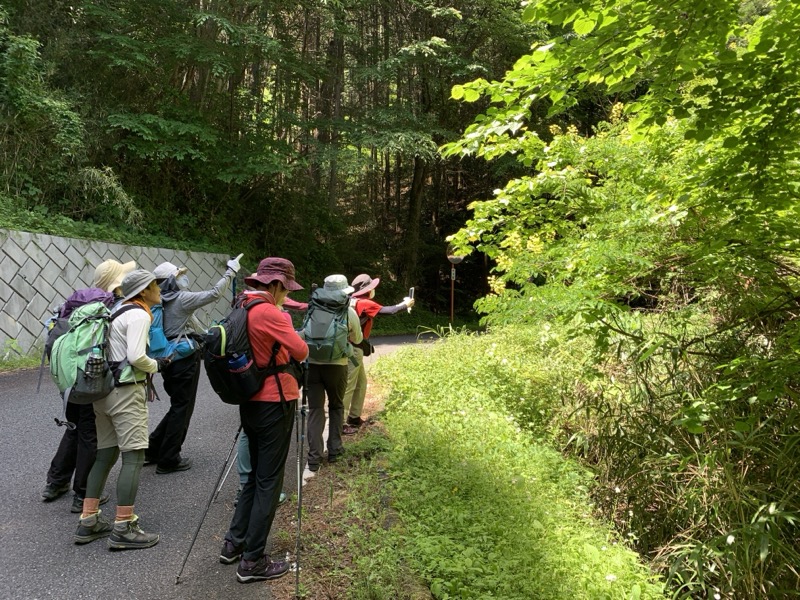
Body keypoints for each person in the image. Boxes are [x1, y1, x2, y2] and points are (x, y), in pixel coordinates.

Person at [218, 257, 308, 583]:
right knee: (269, 482)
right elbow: (300, 352)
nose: (285, 294)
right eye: (285, 289)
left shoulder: (241, 307)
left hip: (250, 400)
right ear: (276, 285)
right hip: (275, 403)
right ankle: (252, 561)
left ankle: (233, 544)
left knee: (254, 477)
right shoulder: (270, 311)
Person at [73, 269, 171, 549]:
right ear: (142, 291)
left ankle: (88, 521)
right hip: (126, 392)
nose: (159, 290)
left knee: (105, 456)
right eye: (155, 285)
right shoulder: (139, 314)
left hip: (102, 392)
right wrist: (158, 365)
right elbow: (137, 356)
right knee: (134, 457)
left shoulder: (116, 310)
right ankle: (124, 527)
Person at [41, 259, 135, 512]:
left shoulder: (77, 301)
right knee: (88, 434)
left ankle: (55, 482)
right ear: (118, 283)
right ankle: (82, 494)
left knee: (73, 428)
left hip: (68, 377)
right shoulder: (111, 306)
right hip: (90, 377)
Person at [146, 255, 241, 474]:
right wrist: (231, 272)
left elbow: (191, 324)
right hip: (183, 361)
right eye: (179, 275)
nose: (184, 278)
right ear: (171, 279)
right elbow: (214, 294)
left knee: (178, 405)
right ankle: (168, 459)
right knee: (182, 408)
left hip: (168, 360)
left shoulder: (159, 300)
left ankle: (152, 450)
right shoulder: (181, 299)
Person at [342, 274, 414, 435]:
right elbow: (390, 311)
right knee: (349, 384)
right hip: (353, 349)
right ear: (368, 290)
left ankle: (354, 417)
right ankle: (340, 423)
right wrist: (406, 304)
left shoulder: (350, 301)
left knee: (361, 383)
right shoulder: (364, 302)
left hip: (353, 347)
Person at [305, 275, 362, 470]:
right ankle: (335, 451)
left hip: (311, 364)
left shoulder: (312, 307)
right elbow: (357, 337)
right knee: (336, 406)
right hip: (337, 365)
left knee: (315, 409)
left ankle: (314, 458)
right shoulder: (348, 311)